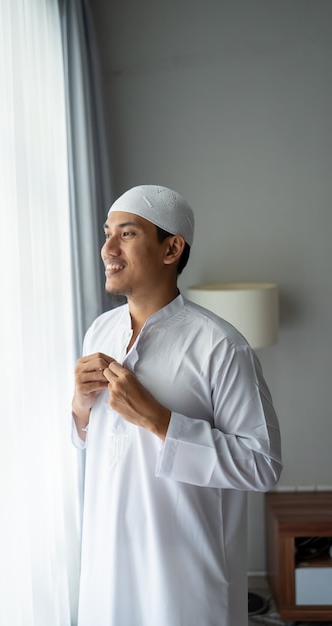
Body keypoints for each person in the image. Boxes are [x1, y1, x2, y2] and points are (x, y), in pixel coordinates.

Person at [71, 185, 282, 626]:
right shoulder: (99, 333)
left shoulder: (221, 346)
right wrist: (79, 409)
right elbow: (96, 444)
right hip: (107, 569)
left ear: (172, 248)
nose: (107, 247)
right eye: (107, 233)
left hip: (182, 581)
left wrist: (161, 421)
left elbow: (262, 465)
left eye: (126, 234)